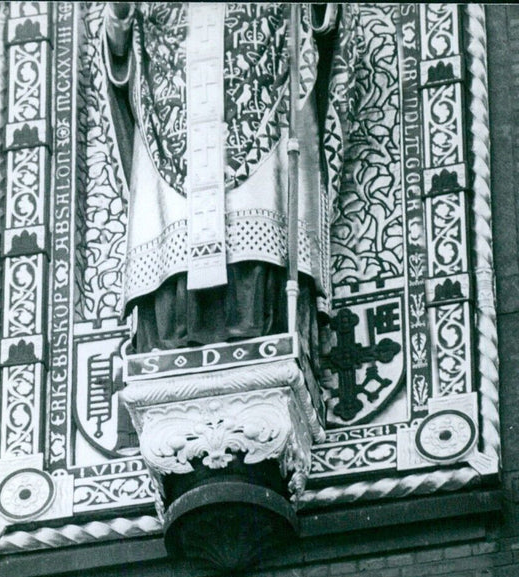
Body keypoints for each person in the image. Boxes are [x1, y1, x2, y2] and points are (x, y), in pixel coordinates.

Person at [102, 2, 360, 353]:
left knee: (257, 211)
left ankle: (263, 329)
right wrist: (119, 15)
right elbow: (122, 44)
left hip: (261, 95)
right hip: (171, 113)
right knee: (177, 227)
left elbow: (323, 21)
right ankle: (172, 337)